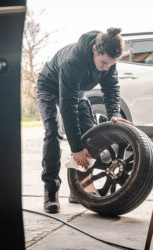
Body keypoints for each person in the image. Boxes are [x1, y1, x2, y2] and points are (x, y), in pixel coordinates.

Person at [36, 28, 131, 213]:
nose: (106, 67)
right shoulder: (74, 61)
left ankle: (77, 188)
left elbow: (111, 89)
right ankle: (51, 192)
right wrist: (76, 149)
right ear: (95, 49)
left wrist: (113, 113)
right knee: (53, 132)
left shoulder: (109, 61)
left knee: (90, 133)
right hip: (49, 88)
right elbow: (67, 108)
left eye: (111, 65)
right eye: (103, 62)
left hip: (74, 92)